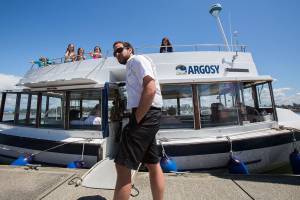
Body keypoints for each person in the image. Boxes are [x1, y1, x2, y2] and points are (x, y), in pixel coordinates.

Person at [113, 41, 164, 200]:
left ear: (130, 49)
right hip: (149, 113)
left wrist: (136, 119)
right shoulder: (131, 65)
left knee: (122, 165)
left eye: (120, 50)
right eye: (114, 52)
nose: (117, 54)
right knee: (152, 163)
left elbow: (150, 87)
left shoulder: (136, 60)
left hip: (145, 113)